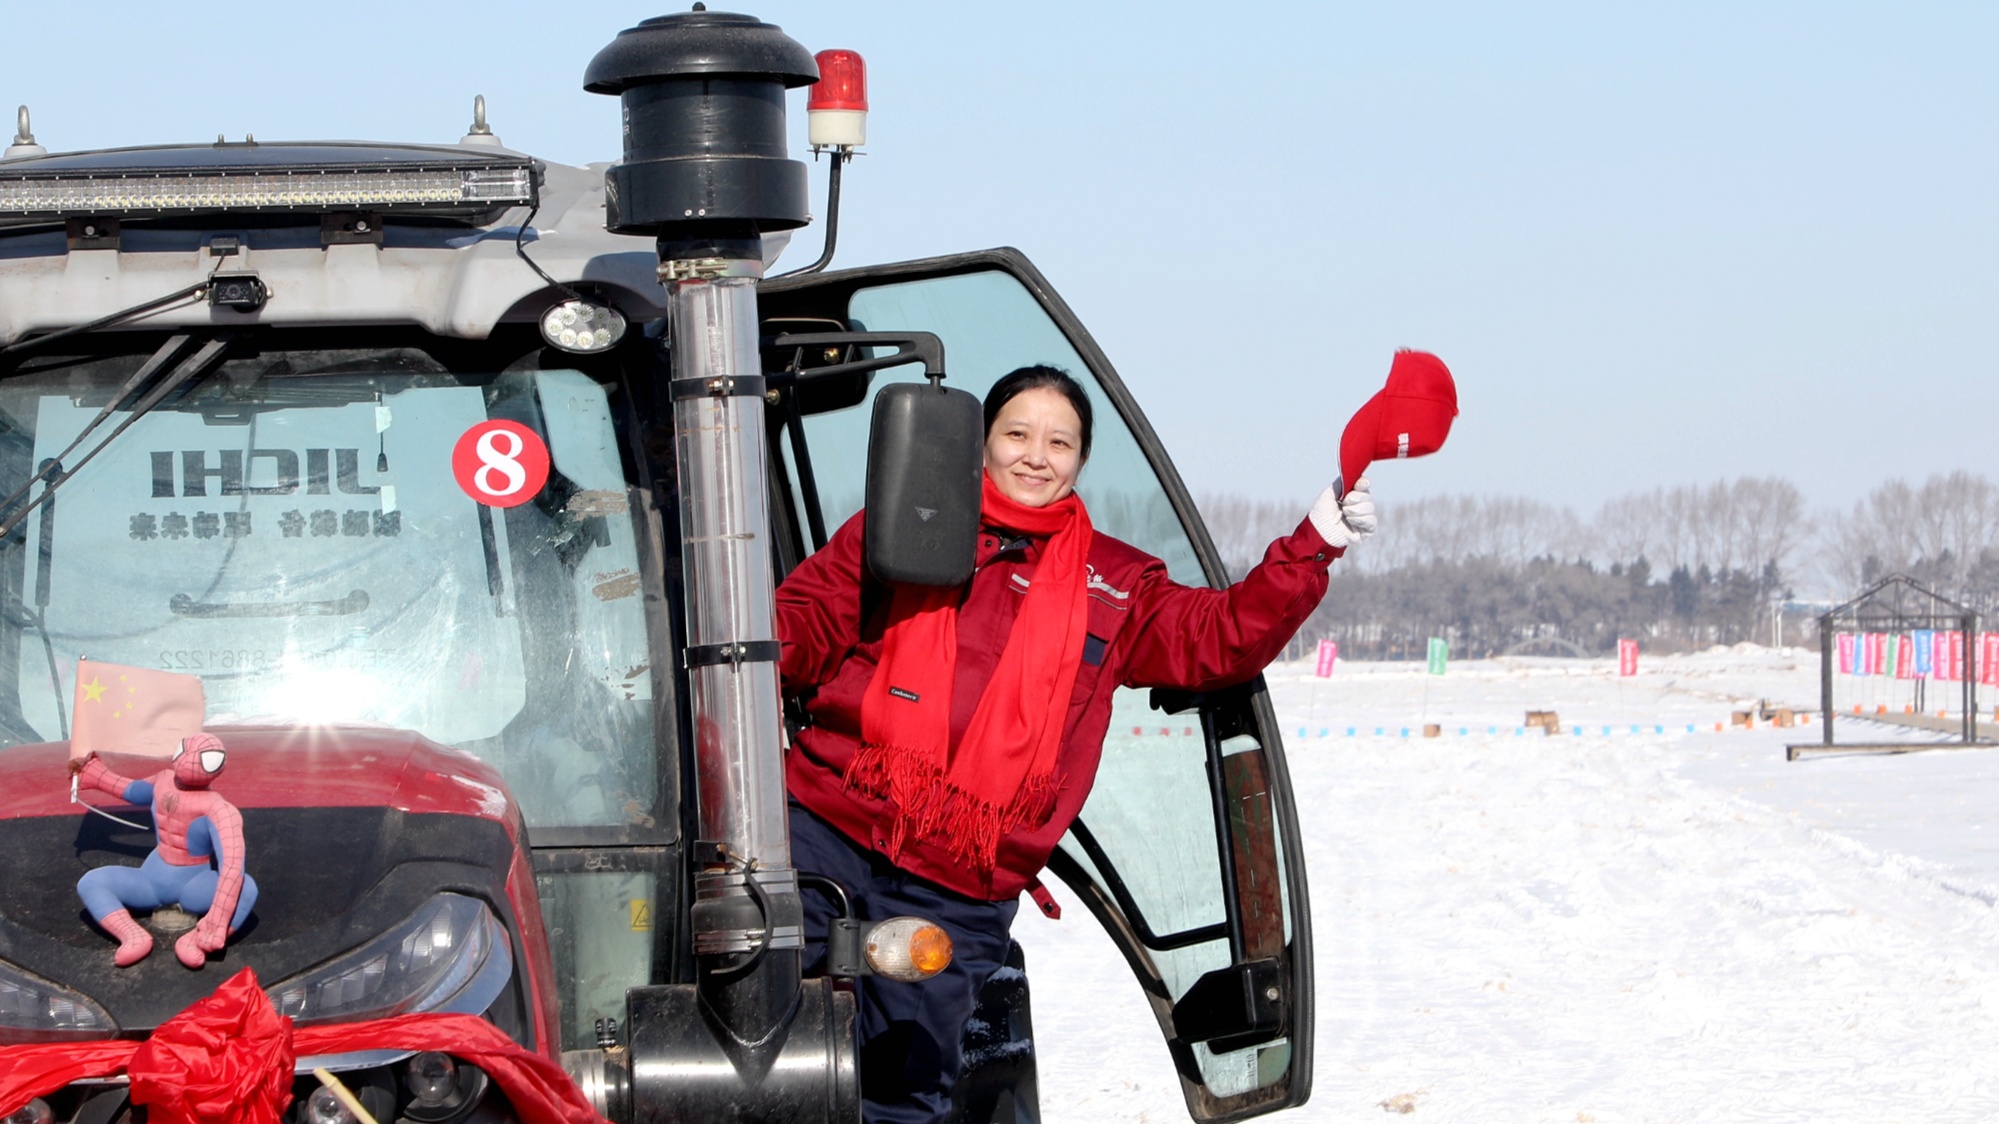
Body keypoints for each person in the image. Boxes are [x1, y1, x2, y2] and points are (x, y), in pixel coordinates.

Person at [774, 365, 1374, 1123]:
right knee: (755, 1035)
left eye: (1059, 442)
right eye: (1017, 434)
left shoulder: (1118, 582)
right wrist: (742, 651)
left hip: (958, 879)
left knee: (900, 1085)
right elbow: (807, 619)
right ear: (976, 444)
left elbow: (1219, 638)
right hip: (825, 826)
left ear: (1080, 460)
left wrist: (1314, 543)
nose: (1036, 456)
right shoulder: (903, 525)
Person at [72, 732, 257, 968]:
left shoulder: (220, 810)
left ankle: (196, 940)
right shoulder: (163, 781)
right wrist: (92, 773)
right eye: (187, 751)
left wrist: (216, 923)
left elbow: (232, 866)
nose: (191, 761)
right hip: (151, 878)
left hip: (195, 886)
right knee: (91, 882)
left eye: (206, 758)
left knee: (246, 887)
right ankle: (131, 934)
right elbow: (131, 789)